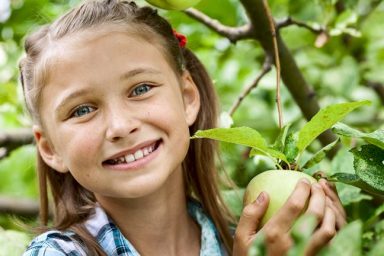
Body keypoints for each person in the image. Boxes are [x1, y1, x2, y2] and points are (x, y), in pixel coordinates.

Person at [19, 0, 346, 255]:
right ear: (49, 148)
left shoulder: (246, 239)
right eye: (83, 109)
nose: (120, 126)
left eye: (141, 89)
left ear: (188, 97)